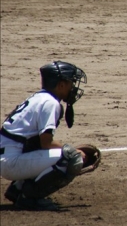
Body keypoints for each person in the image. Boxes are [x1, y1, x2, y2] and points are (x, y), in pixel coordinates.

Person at [1, 61, 88, 211]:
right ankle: (30, 198)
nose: (73, 87)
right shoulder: (50, 103)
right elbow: (46, 143)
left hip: (8, 157)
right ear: (61, 85)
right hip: (11, 162)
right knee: (71, 158)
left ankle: (18, 189)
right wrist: (73, 150)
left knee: (51, 151)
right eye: (71, 83)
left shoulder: (38, 97)